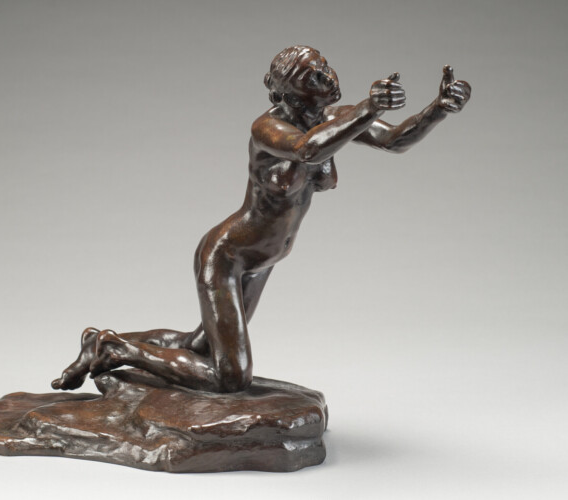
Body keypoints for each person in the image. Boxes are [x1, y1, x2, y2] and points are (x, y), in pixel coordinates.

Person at [52, 45, 471, 393]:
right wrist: (367, 108)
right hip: (228, 256)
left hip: (263, 259)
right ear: (287, 93)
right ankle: (115, 349)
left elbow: (395, 140)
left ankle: (97, 342)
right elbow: (308, 150)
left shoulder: (334, 120)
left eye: (324, 66)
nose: (327, 77)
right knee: (230, 377)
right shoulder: (267, 128)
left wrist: (438, 109)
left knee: (198, 344)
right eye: (311, 76)